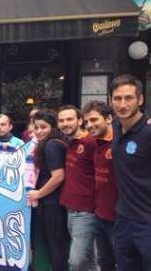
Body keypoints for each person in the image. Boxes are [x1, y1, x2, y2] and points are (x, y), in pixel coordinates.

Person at [109, 74, 151, 271]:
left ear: (140, 100)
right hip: (124, 218)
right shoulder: (116, 126)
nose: (122, 104)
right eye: (117, 98)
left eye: (129, 98)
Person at [57, 105, 97, 271]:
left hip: (86, 210)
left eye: (69, 119)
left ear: (80, 121)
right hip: (70, 209)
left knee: (76, 261)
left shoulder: (90, 142)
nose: (65, 123)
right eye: (61, 120)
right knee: (89, 260)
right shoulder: (70, 143)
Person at [27, 110, 68, 271]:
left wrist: (39, 193)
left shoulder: (51, 145)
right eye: (36, 128)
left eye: (43, 127)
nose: (39, 131)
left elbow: (58, 176)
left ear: (53, 127)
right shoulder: (54, 143)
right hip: (53, 202)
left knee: (55, 246)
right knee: (54, 245)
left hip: (52, 204)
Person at [82, 100, 117, 271]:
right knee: (104, 264)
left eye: (94, 120)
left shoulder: (121, 143)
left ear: (109, 118)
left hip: (121, 219)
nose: (89, 125)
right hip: (100, 215)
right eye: (87, 121)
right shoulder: (93, 144)